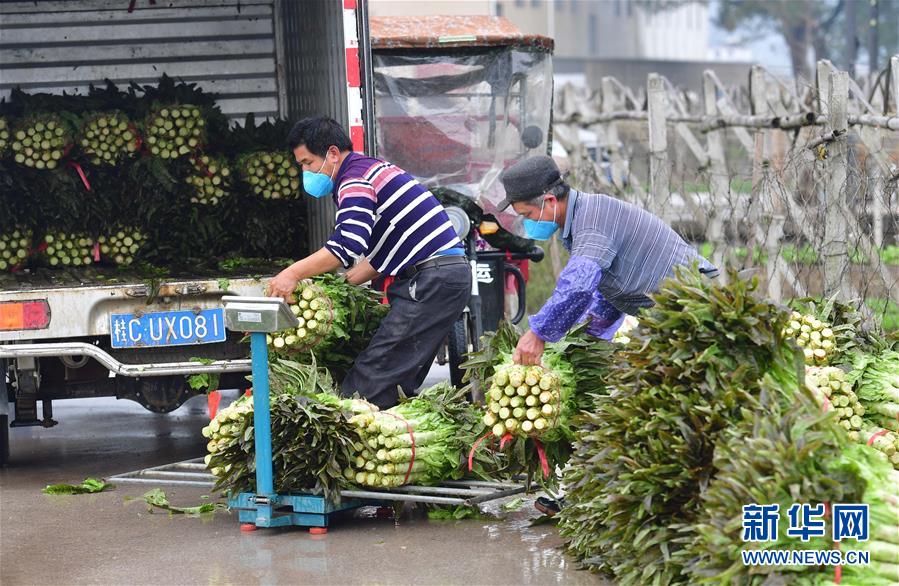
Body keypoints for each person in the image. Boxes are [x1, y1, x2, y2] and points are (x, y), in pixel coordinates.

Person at [267, 117, 471, 409]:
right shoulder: (372, 170)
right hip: (443, 278)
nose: (306, 172)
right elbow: (382, 253)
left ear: (333, 154)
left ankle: (351, 437)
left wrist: (292, 273)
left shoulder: (354, 181)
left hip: (432, 280)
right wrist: (339, 284)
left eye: (308, 163)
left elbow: (347, 245)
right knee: (397, 381)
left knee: (370, 380)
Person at [499, 155, 718, 366]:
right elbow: (605, 292)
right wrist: (580, 341)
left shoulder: (592, 221)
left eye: (528, 215)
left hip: (692, 307)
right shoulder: (583, 216)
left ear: (549, 201)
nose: (528, 223)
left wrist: (538, 334)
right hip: (670, 312)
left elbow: (578, 286)